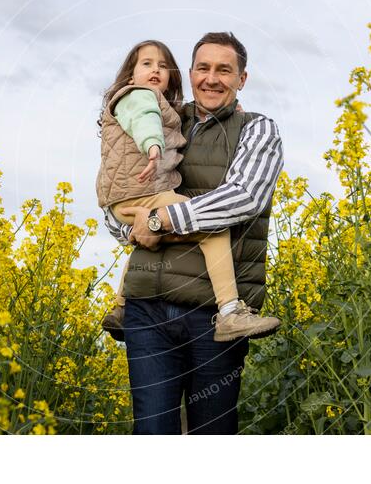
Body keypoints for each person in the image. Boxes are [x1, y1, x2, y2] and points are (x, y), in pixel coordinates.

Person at [103, 32, 284, 434]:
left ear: (242, 79)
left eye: (225, 70)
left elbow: (243, 197)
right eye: (203, 68)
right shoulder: (158, 117)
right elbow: (119, 191)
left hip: (214, 318)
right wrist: (130, 227)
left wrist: (158, 222)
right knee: (151, 433)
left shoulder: (257, 130)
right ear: (190, 72)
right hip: (146, 308)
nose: (212, 78)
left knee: (212, 433)